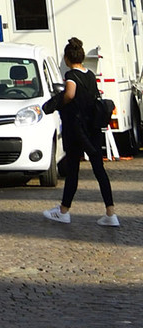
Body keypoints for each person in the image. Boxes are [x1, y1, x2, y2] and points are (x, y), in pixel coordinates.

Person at [42, 37, 121, 227]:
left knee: (73, 171)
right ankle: (111, 212)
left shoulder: (71, 76)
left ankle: (64, 211)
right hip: (93, 127)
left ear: (67, 58)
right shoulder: (90, 75)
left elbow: (69, 95)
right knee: (99, 170)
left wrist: (56, 104)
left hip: (77, 129)